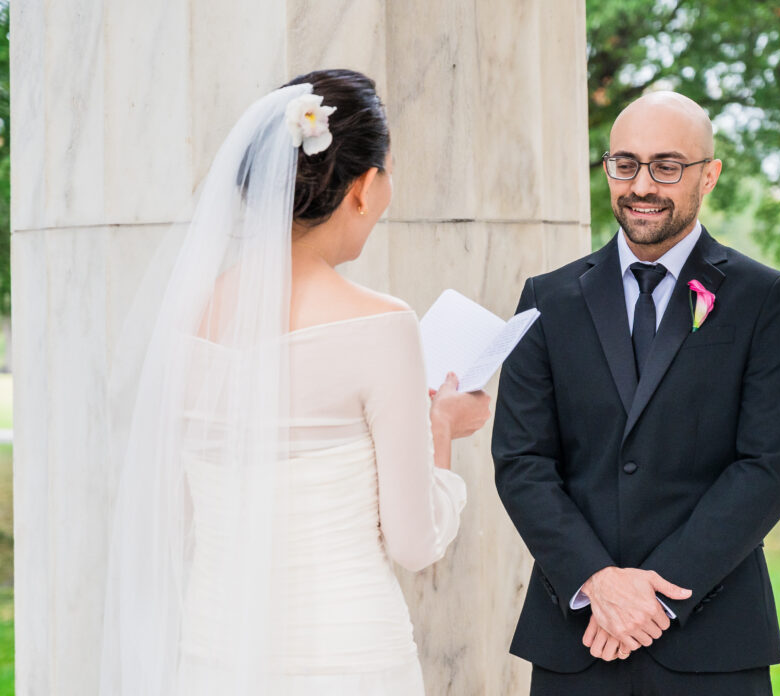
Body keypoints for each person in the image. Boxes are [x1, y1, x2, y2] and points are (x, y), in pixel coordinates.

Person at [100, 69, 490, 696]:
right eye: (387, 173)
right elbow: (416, 543)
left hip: (215, 656)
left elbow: (173, 519)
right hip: (351, 659)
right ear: (363, 189)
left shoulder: (187, 322)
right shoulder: (384, 325)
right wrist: (440, 426)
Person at [491, 91, 780, 695]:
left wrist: (656, 595)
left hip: (713, 639)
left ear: (708, 175)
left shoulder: (763, 298)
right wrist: (598, 582)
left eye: (666, 166)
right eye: (625, 164)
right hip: (577, 637)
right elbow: (522, 462)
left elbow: (770, 465)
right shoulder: (546, 298)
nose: (642, 185)